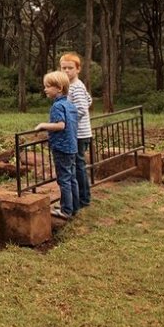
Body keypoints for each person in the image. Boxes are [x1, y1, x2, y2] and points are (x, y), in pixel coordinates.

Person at [36, 70, 79, 219]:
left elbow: (61, 125)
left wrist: (43, 125)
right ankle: (73, 207)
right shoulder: (70, 105)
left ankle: (66, 210)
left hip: (62, 147)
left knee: (64, 179)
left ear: (59, 88)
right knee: (72, 177)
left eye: (48, 86)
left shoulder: (57, 107)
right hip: (72, 146)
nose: (45, 89)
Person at [60, 52, 93, 210]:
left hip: (79, 133)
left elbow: (81, 108)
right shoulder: (71, 86)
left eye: (70, 68)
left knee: (78, 165)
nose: (66, 71)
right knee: (78, 164)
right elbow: (89, 99)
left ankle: (83, 198)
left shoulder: (76, 87)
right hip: (78, 132)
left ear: (78, 69)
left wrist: (67, 122)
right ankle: (81, 197)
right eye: (63, 68)